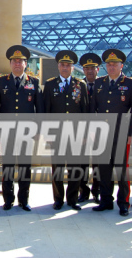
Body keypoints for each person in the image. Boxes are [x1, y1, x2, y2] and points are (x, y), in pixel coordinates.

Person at [90, 49, 132, 216]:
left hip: (122, 134)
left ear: (122, 66)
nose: (111, 67)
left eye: (115, 64)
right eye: (109, 64)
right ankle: (106, 200)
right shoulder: (99, 83)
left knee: (122, 171)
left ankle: (124, 202)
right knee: (104, 170)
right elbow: (92, 109)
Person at [0, 46, 43, 211]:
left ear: (25, 64)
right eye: (14, 61)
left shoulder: (33, 82)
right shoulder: (1, 82)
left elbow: (39, 110)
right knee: (7, 168)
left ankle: (23, 200)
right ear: (10, 64)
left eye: (20, 61)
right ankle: (8, 200)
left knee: (24, 168)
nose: (17, 64)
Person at [44, 50, 88, 211]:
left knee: (75, 168)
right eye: (62, 64)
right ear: (58, 66)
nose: (65, 67)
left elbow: (85, 111)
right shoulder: (50, 85)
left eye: (68, 65)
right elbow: (45, 111)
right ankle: (58, 199)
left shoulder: (80, 85)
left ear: (72, 67)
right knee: (57, 169)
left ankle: (72, 199)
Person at [78, 52, 102, 203]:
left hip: (100, 131)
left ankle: (97, 191)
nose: (90, 71)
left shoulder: (104, 84)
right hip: (81, 131)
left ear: (98, 69)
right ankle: (83, 191)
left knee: (99, 163)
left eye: (92, 68)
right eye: (87, 68)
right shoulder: (78, 85)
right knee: (81, 163)